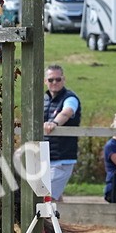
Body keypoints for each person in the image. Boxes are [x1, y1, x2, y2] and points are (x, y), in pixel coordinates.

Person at [42, 64, 81, 201]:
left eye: (58, 79)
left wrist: (54, 123)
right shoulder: (43, 100)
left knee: (46, 197)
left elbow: (67, 112)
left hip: (62, 158)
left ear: (63, 80)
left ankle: (52, 222)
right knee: (53, 197)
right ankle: (59, 222)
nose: (54, 83)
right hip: (45, 158)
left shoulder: (70, 98)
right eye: (51, 79)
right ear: (45, 81)